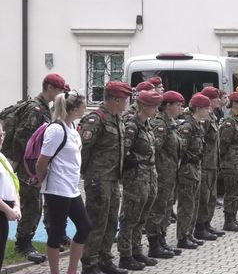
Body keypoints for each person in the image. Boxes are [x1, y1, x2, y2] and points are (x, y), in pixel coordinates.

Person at [7, 73, 68, 263]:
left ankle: (28, 240)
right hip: (27, 165)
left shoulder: (43, 108)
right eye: (59, 90)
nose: (61, 94)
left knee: (36, 203)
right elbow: (21, 137)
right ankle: (23, 243)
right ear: (50, 88)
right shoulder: (35, 109)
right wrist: (16, 164)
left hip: (32, 163)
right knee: (32, 205)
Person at [35, 91, 91, 274]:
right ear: (74, 109)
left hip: (71, 188)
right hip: (57, 188)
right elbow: (42, 161)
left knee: (84, 226)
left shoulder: (72, 128)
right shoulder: (56, 130)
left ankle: (72, 271)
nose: (85, 108)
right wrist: (41, 181)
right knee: (57, 232)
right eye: (83, 105)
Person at [79, 81, 132, 274]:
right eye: (125, 99)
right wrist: (87, 175)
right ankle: (90, 263)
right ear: (116, 100)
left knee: (111, 222)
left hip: (112, 179)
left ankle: (105, 259)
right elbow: (84, 150)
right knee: (96, 222)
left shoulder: (117, 118)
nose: (127, 103)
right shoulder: (96, 119)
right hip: (98, 179)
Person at [117, 90, 163, 271]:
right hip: (135, 179)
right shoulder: (132, 126)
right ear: (143, 106)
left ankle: (137, 251)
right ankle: (125, 255)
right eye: (153, 106)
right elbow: (124, 153)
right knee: (130, 218)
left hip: (149, 176)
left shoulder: (147, 125)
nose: (156, 109)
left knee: (142, 217)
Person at [145, 91, 185, 258]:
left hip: (170, 175)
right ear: (168, 106)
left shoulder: (171, 123)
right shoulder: (160, 124)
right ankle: (154, 244)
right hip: (161, 175)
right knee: (158, 209)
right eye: (177, 105)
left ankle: (161, 240)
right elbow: (154, 149)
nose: (180, 108)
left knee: (167, 209)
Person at [176, 93, 211, 249]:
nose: (209, 111)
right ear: (198, 108)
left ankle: (189, 233)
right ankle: (182, 237)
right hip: (187, 169)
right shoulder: (188, 126)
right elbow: (180, 150)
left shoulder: (198, 125)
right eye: (206, 108)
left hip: (196, 168)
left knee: (194, 203)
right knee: (186, 204)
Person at [195, 86, 224, 241]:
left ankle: (207, 224)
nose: (219, 100)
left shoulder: (211, 116)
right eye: (216, 98)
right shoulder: (204, 119)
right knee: (204, 197)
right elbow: (201, 141)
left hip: (212, 162)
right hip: (205, 163)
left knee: (211, 197)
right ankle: (199, 227)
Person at [219, 91, 238, 232]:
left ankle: (233, 218)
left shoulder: (237, 119)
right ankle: (228, 221)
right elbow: (223, 144)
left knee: (237, 192)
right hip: (231, 163)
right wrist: (225, 161)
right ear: (235, 103)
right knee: (231, 192)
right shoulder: (229, 121)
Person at [0, 121, 22, 270]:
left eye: (1, 134)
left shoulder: (2, 157)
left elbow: (13, 183)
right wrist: (8, 210)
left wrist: (17, 206)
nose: (1, 138)